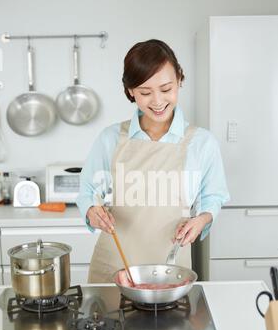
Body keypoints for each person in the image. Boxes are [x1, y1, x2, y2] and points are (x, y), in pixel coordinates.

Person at [76, 39, 230, 282]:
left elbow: (213, 196)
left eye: (166, 89)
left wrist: (201, 219)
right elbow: (87, 191)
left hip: (169, 268)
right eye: (145, 93)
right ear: (130, 91)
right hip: (114, 269)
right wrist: (92, 211)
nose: (157, 101)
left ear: (179, 79)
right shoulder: (111, 138)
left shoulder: (202, 143)